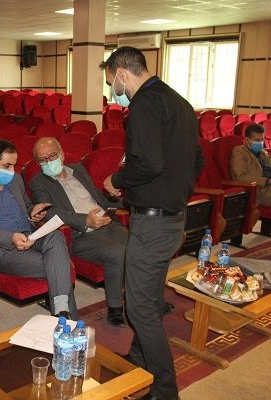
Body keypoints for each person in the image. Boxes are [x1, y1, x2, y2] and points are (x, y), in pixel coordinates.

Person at [100, 46, 203, 400]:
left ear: (122, 74)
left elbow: (148, 164)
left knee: (140, 308)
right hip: (174, 217)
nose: (113, 89)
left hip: (153, 223)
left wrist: (117, 180)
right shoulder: (179, 102)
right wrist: (172, 189)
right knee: (150, 299)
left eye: (111, 82)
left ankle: (163, 389)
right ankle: (139, 359)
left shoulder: (143, 104)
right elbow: (197, 160)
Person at [0, 139, 78, 319]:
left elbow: (26, 205)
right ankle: (65, 317)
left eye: (14, 165)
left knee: (56, 237)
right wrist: (10, 237)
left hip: (31, 235)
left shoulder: (16, 179)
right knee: (60, 265)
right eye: (7, 166)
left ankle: (61, 312)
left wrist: (33, 211)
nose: (12, 171)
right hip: (4, 249)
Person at [29, 137, 127, 327]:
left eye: (52, 156)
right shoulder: (38, 183)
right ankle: (115, 308)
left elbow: (98, 198)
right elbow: (50, 211)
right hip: (80, 234)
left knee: (138, 246)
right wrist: (85, 220)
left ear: (62, 155)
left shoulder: (78, 170)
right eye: (42, 160)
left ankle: (140, 298)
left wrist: (128, 202)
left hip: (107, 224)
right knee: (117, 252)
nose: (48, 162)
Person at [230, 123, 271, 206]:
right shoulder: (239, 152)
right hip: (260, 190)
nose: (261, 143)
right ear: (246, 140)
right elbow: (240, 177)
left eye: (262, 140)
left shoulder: (262, 152)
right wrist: (267, 181)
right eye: (257, 140)